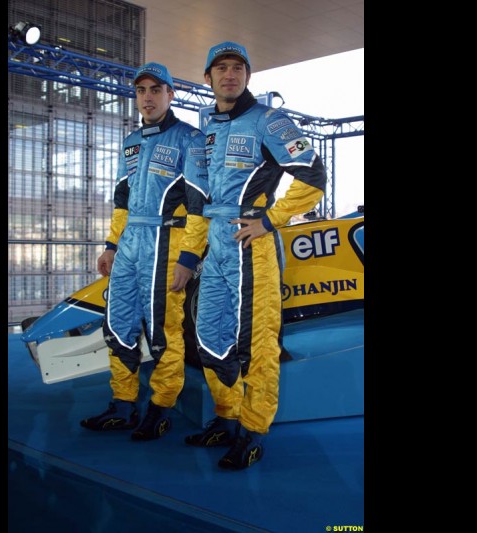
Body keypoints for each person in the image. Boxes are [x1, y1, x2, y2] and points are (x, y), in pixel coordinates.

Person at [185, 42, 327, 469]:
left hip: (251, 245)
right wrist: (191, 254)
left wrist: (270, 220)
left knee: (256, 344)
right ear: (208, 77)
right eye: (221, 68)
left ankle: (252, 430)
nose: (230, 75)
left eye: (238, 68)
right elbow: (200, 196)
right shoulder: (208, 126)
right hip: (216, 245)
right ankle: (226, 418)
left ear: (248, 76)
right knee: (209, 338)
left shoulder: (269, 120)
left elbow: (314, 174)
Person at [80, 62, 209, 441]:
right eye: (141, 91)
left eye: (156, 90)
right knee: (117, 327)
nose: (148, 97)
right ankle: (122, 405)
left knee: (163, 333)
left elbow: (200, 204)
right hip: (130, 245)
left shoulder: (192, 139)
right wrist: (110, 245)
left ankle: (161, 409)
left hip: (167, 245)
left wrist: (189, 258)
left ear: (171, 94)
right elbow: (122, 199)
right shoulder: (131, 141)